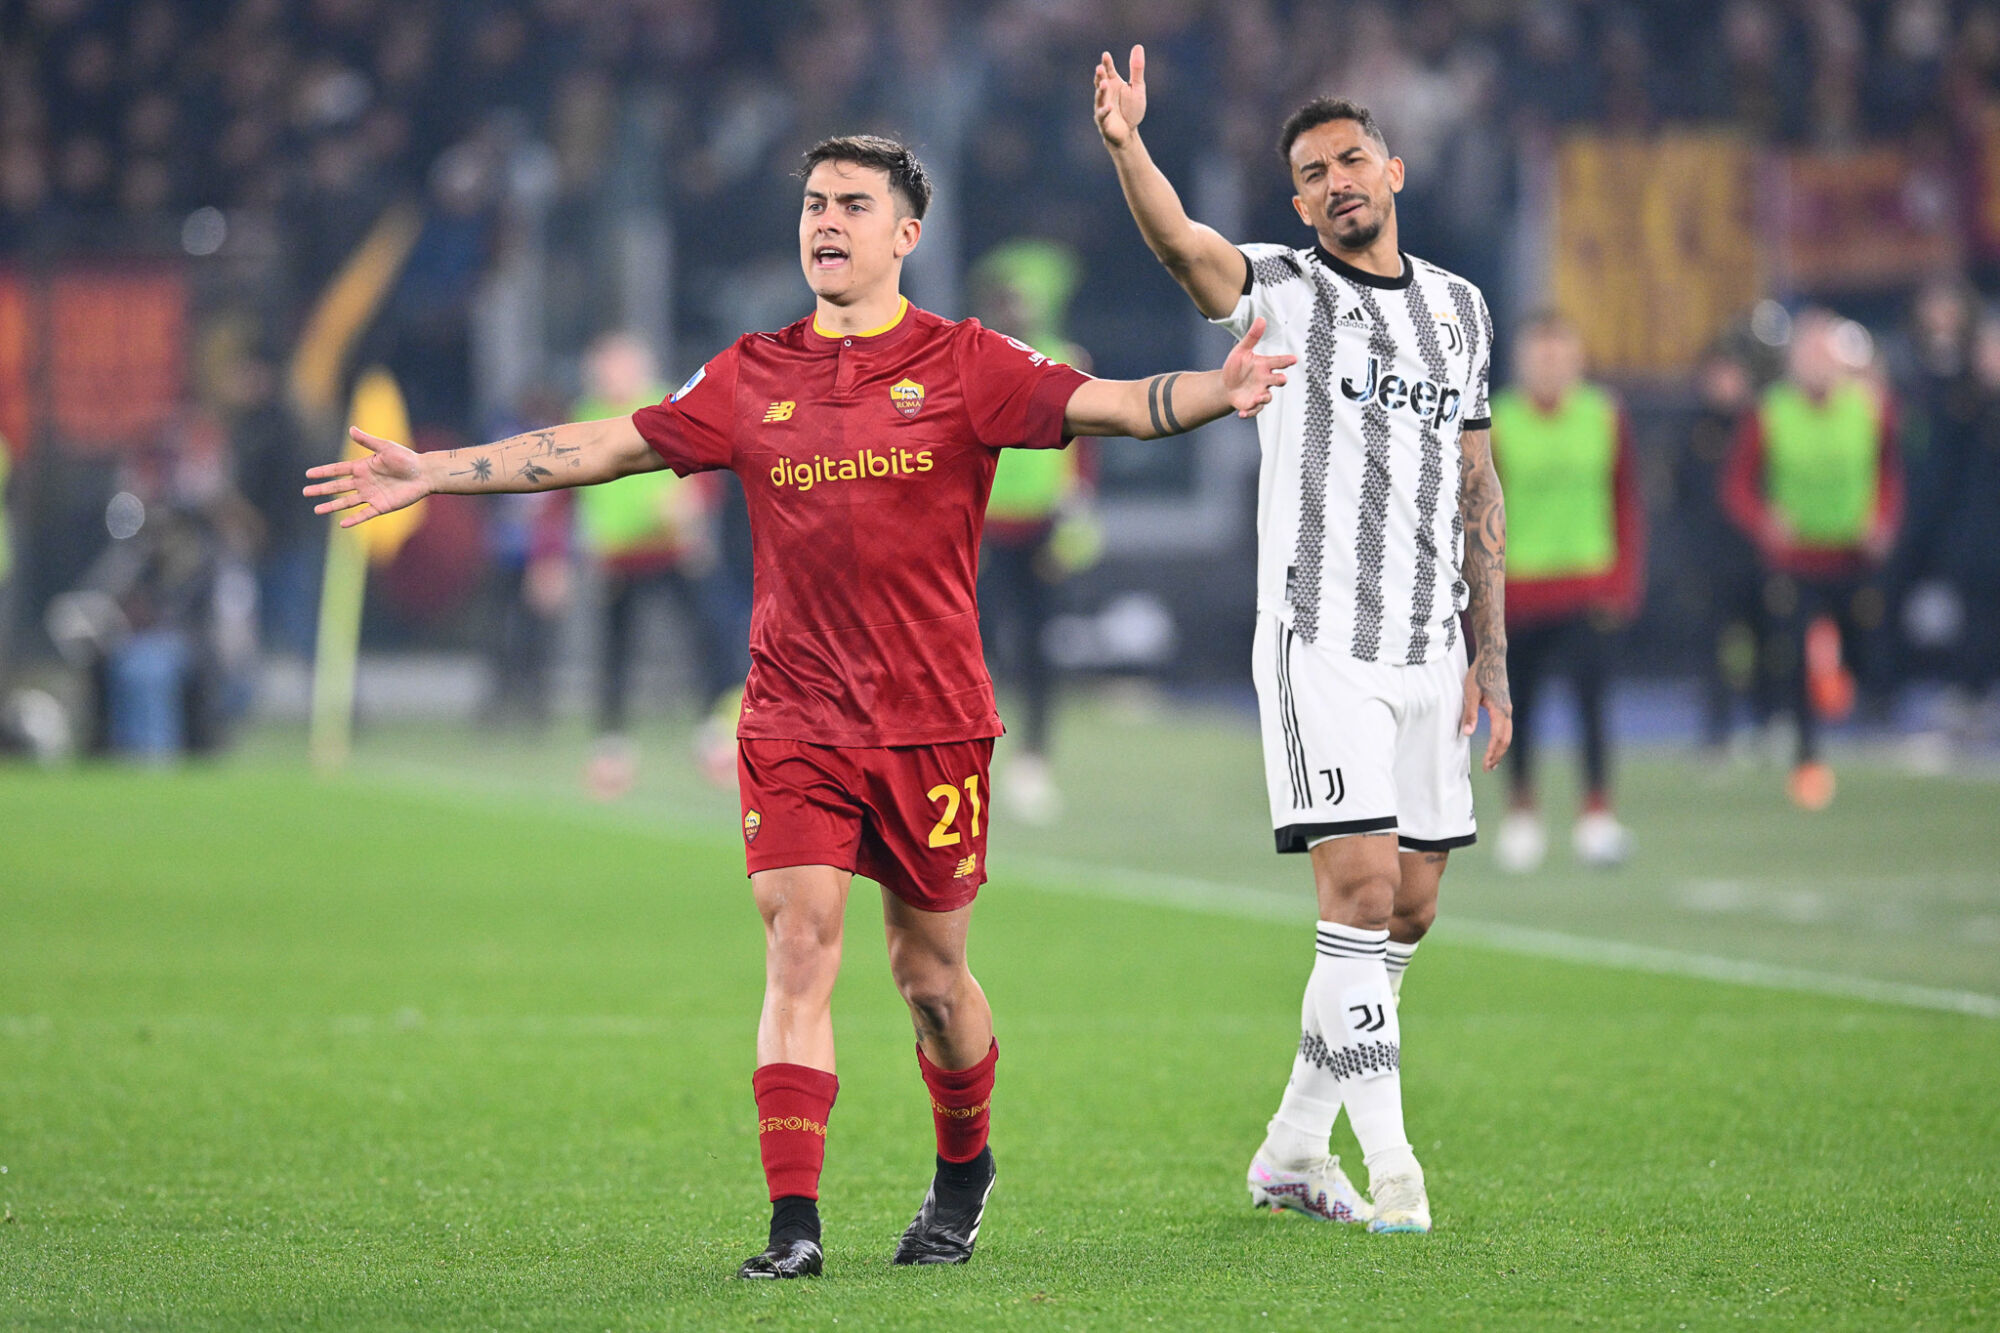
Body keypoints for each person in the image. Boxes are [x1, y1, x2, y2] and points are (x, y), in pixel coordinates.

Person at [307, 134, 1293, 1280]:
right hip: (792, 716)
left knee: (929, 981)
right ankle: (793, 1226)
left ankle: (962, 1169)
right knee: (798, 944)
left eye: (852, 205)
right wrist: (437, 470)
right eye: (815, 203)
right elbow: (607, 442)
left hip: (930, 721)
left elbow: (1109, 405)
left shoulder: (965, 361)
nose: (825, 221)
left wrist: (1217, 390)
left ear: (905, 235)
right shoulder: (750, 374)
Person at [1095, 49, 1511, 1236]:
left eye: (1349, 161)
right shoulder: (1281, 286)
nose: (1336, 182)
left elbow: (1477, 483)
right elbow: (1184, 248)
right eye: (1313, 173)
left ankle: (1289, 1145)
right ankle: (1395, 1173)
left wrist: (1489, 656)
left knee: (1408, 908)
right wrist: (1128, 145)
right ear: (1297, 201)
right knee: (1359, 888)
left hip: (1429, 648)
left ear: (1392, 170)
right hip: (1320, 638)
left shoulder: (1459, 309)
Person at [1722, 309, 1902, 810]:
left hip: (1854, 555)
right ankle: (1807, 754)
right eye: (1809, 355)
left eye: (1826, 354)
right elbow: (1738, 485)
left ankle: (1870, 723)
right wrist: (1765, 520)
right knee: (1794, 655)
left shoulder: (1870, 407)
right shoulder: (1771, 412)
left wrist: (1883, 519)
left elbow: (1889, 473)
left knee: (1865, 647)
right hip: (1796, 559)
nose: (1818, 365)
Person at [1488, 312, 1645, 871]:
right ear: (1522, 361)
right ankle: (1521, 815)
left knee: (1593, 706)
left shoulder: (1604, 416)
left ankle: (1596, 815)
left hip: (1588, 587)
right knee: (1517, 708)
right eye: (1540, 355)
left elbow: (1626, 500)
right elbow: (1476, 511)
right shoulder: (1498, 420)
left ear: (1577, 361)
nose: (1550, 366)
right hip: (1520, 589)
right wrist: (1483, 594)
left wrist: (1623, 583)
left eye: (1560, 355)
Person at [564, 332, 738, 796]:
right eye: (606, 364)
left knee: (711, 637)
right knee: (614, 653)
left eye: (623, 363)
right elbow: (564, 492)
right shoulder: (586, 415)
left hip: (674, 550)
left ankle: (717, 734)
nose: (614, 373)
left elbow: (709, 464)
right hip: (618, 557)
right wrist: (553, 557)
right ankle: (611, 747)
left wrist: (694, 505)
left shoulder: (669, 403)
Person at [969, 240, 1096, 824]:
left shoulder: (1064, 361)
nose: (1015, 311)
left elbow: (1084, 452)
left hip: (1041, 527)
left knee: (1041, 647)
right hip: (986, 527)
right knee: (980, 644)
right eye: (1006, 302)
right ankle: (976, 753)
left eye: (1022, 301)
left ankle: (1034, 761)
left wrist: (1075, 523)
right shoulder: (974, 362)